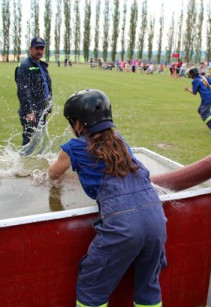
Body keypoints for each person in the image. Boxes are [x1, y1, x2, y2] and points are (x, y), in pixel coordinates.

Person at [48, 89, 167, 307]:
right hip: (156, 217)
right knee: (148, 286)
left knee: (92, 285)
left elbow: (53, 175)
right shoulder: (120, 141)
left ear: (78, 123)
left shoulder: (72, 147)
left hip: (123, 225)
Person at [15, 37, 52, 146]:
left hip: (42, 109)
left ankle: (35, 162)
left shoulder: (42, 66)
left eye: (42, 48)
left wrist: (49, 106)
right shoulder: (25, 66)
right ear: (31, 49)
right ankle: (24, 162)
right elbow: (23, 90)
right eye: (37, 48)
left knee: (39, 140)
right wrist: (29, 111)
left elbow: (47, 87)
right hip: (31, 111)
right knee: (29, 142)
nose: (39, 51)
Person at [184, 67, 211, 135]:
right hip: (210, 97)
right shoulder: (203, 77)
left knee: (204, 114)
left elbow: (194, 93)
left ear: (192, 75)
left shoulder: (195, 81)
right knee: (200, 110)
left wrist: (187, 89)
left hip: (206, 98)